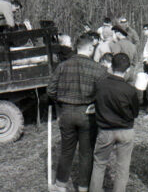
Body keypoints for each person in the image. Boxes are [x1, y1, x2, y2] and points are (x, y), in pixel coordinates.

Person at [47, 34, 107, 192]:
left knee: (67, 150)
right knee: (86, 152)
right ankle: (83, 187)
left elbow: (51, 90)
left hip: (66, 112)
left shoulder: (63, 66)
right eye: (93, 48)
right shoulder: (98, 68)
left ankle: (60, 185)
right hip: (87, 113)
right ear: (89, 48)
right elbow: (103, 94)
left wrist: (61, 102)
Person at [89, 53, 139, 192]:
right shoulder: (130, 90)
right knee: (123, 167)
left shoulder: (100, 85)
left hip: (105, 130)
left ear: (110, 66)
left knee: (99, 164)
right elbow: (135, 113)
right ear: (128, 70)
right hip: (125, 131)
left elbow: (94, 102)